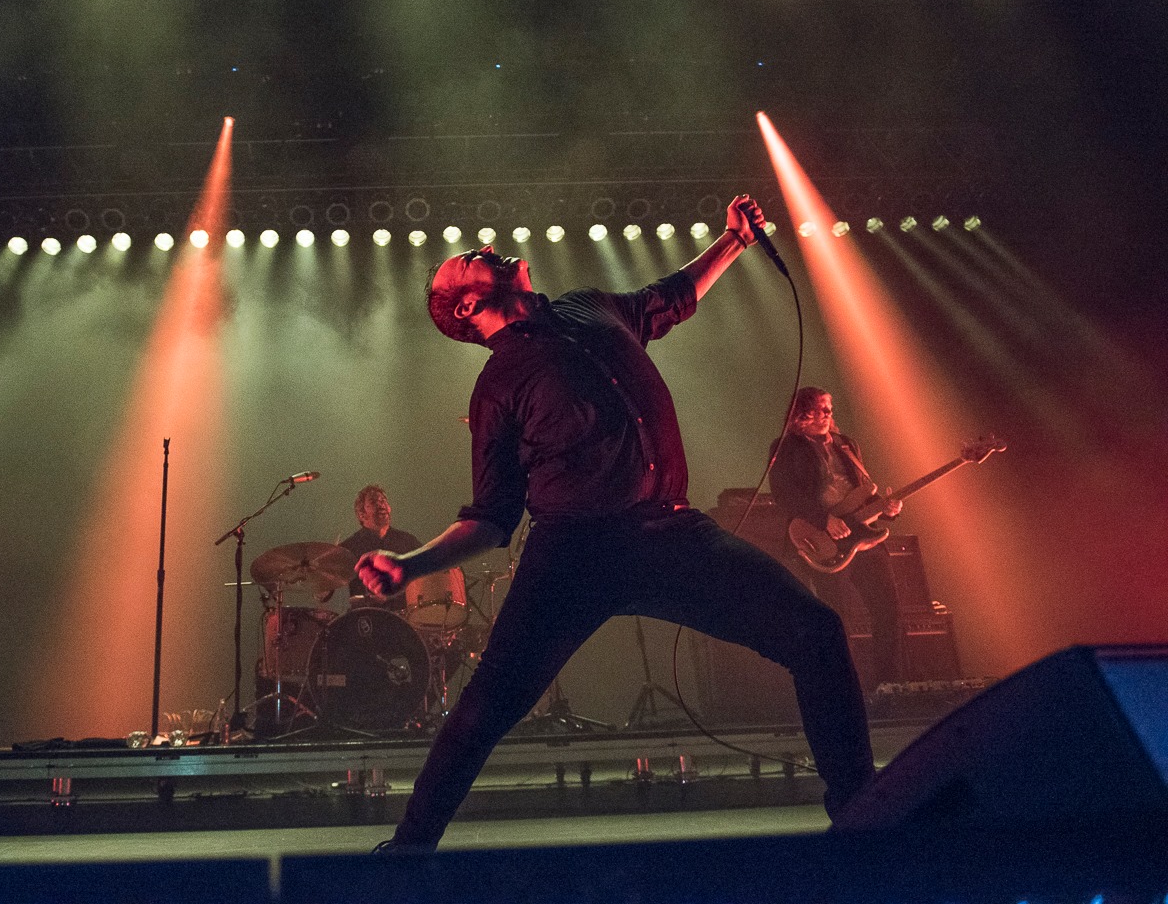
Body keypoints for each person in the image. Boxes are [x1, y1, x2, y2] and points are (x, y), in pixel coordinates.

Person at [357, 196, 875, 851]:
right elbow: (491, 517)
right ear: (465, 307)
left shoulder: (587, 307)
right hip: (574, 553)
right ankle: (407, 849)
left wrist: (733, 241)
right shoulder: (497, 386)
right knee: (487, 705)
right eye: (471, 261)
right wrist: (410, 565)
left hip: (671, 533)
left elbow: (668, 300)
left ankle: (863, 816)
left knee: (816, 630)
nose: (487, 250)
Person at [769, 387, 904, 694]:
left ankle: (891, 686)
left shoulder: (847, 445)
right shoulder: (786, 447)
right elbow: (784, 493)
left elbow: (863, 496)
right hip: (824, 540)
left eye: (830, 408)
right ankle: (845, 689)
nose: (829, 414)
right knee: (836, 616)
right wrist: (823, 519)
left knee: (888, 609)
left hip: (863, 539)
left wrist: (888, 510)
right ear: (802, 415)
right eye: (821, 409)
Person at [335, 485, 421, 612]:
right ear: (361, 514)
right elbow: (326, 584)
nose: (381, 505)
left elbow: (423, 577)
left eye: (383, 501)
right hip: (365, 620)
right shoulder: (350, 546)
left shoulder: (408, 541)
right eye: (374, 502)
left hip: (405, 618)